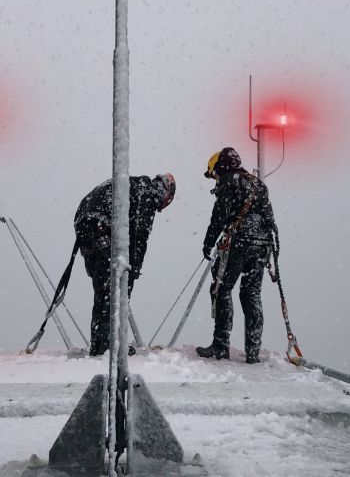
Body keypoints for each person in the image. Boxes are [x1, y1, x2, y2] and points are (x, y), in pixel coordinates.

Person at [74, 173, 176, 356]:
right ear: (166, 193)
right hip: (102, 225)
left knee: (102, 287)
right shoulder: (150, 192)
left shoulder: (133, 185)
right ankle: (109, 344)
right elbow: (140, 234)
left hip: (83, 223)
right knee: (116, 287)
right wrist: (135, 267)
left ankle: (100, 343)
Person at [196, 147, 275, 364]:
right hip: (261, 242)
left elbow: (219, 215)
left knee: (222, 288)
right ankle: (253, 350)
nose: (216, 180)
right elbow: (269, 216)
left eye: (215, 175)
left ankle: (221, 346)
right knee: (251, 294)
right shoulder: (258, 184)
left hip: (239, 240)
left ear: (220, 167)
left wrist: (208, 242)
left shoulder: (230, 181)